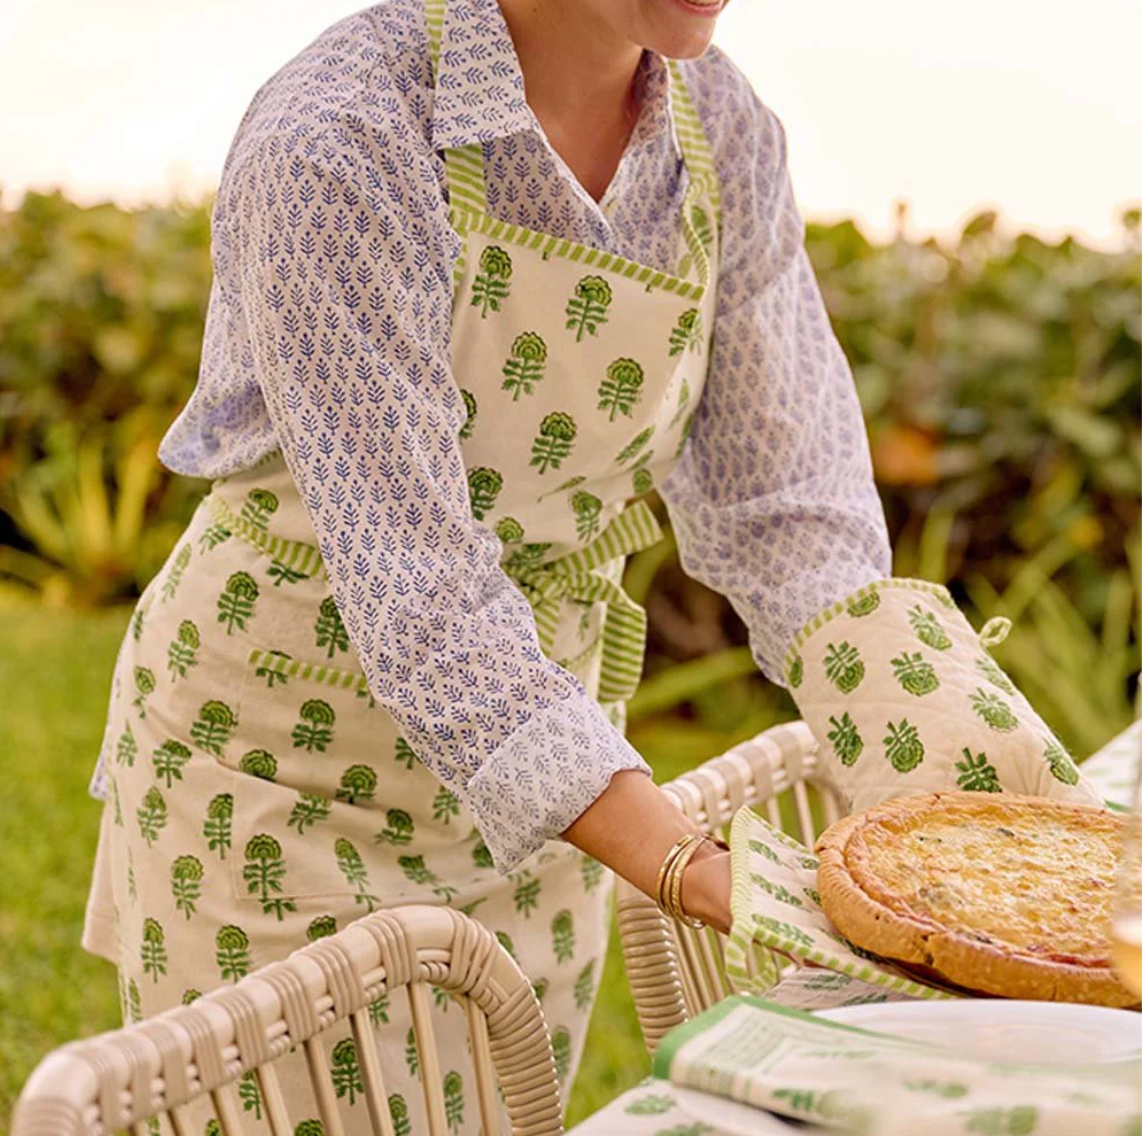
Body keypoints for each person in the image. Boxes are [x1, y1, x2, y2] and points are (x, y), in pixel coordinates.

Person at [79, 0, 1100, 1132]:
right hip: (285, 776)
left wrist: (980, 793)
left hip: (556, 784)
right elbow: (419, 590)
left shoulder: (718, 130)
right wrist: (702, 871)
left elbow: (789, 511)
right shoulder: (339, 133)